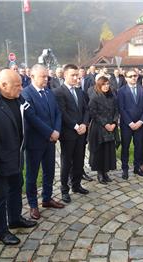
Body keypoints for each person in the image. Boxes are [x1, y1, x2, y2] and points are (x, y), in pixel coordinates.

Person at [0, 69, 37, 245]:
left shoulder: (18, 98)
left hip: (16, 155)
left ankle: (15, 218)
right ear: (3, 85)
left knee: (16, 189)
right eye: (17, 85)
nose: (22, 88)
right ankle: (0, 231)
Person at [22, 64, 64, 220]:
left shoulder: (49, 92)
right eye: (43, 76)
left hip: (51, 141)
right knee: (32, 174)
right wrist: (50, 132)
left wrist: (57, 131)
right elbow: (32, 118)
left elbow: (57, 112)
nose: (46, 79)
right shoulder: (26, 94)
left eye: (47, 76)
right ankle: (33, 204)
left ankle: (47, 198)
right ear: (32, 76)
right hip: (35, 141)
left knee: (50, 171)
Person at [52, 64, 90, 203]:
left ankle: (76, 184)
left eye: (77, 75)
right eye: (73, 75)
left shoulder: (80, 91)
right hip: (68, 133)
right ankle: (64, 189)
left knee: (79, 159)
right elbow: (62, 112)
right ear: (65, 75)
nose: (76, 78)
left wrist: (85, 124)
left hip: (81, 132)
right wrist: (75, 126)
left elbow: (87, 109)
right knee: (66, 161)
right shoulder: (59, 92)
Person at [117, 68, 143, 180]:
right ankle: (125, 169)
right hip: (127, 125)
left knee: (138, 146)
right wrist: (130, 122)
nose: (133, 78)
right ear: (125, 78)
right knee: (125, 147)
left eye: (135, 75)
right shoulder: (121, 91)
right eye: (130, 76)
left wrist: (140, 121)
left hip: (140, 124)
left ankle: (137, 167)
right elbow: (121, 108)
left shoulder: (142, 90)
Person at [88, 76, 119, 184]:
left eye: (107, 84)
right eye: (103, 84)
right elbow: (93, 113)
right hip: (99, 128)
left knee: (108, 151)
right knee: (99, 151)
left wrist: (114, 123)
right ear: (99, 85)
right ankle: (100, 173)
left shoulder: (112, 96)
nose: (106, 86)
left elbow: (116, 110)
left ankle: (105, 172)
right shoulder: (95, 97)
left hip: (111, 127)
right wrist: (105, 124)